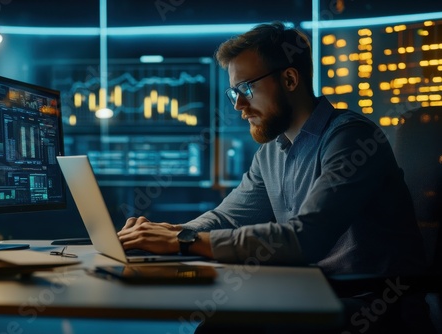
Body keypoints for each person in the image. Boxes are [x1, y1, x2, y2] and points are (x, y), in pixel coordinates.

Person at [117, 21, 430, 332]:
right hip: (316, 292)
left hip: (374, 309)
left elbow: (306, 238)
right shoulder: (272, 151)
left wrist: (183, 242)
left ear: (290, 79)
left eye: (246, 89)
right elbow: (227, 218)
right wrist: (170, 232)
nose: (239, 105)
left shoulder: (352, 139)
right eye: (233, 92)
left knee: (221, 327)